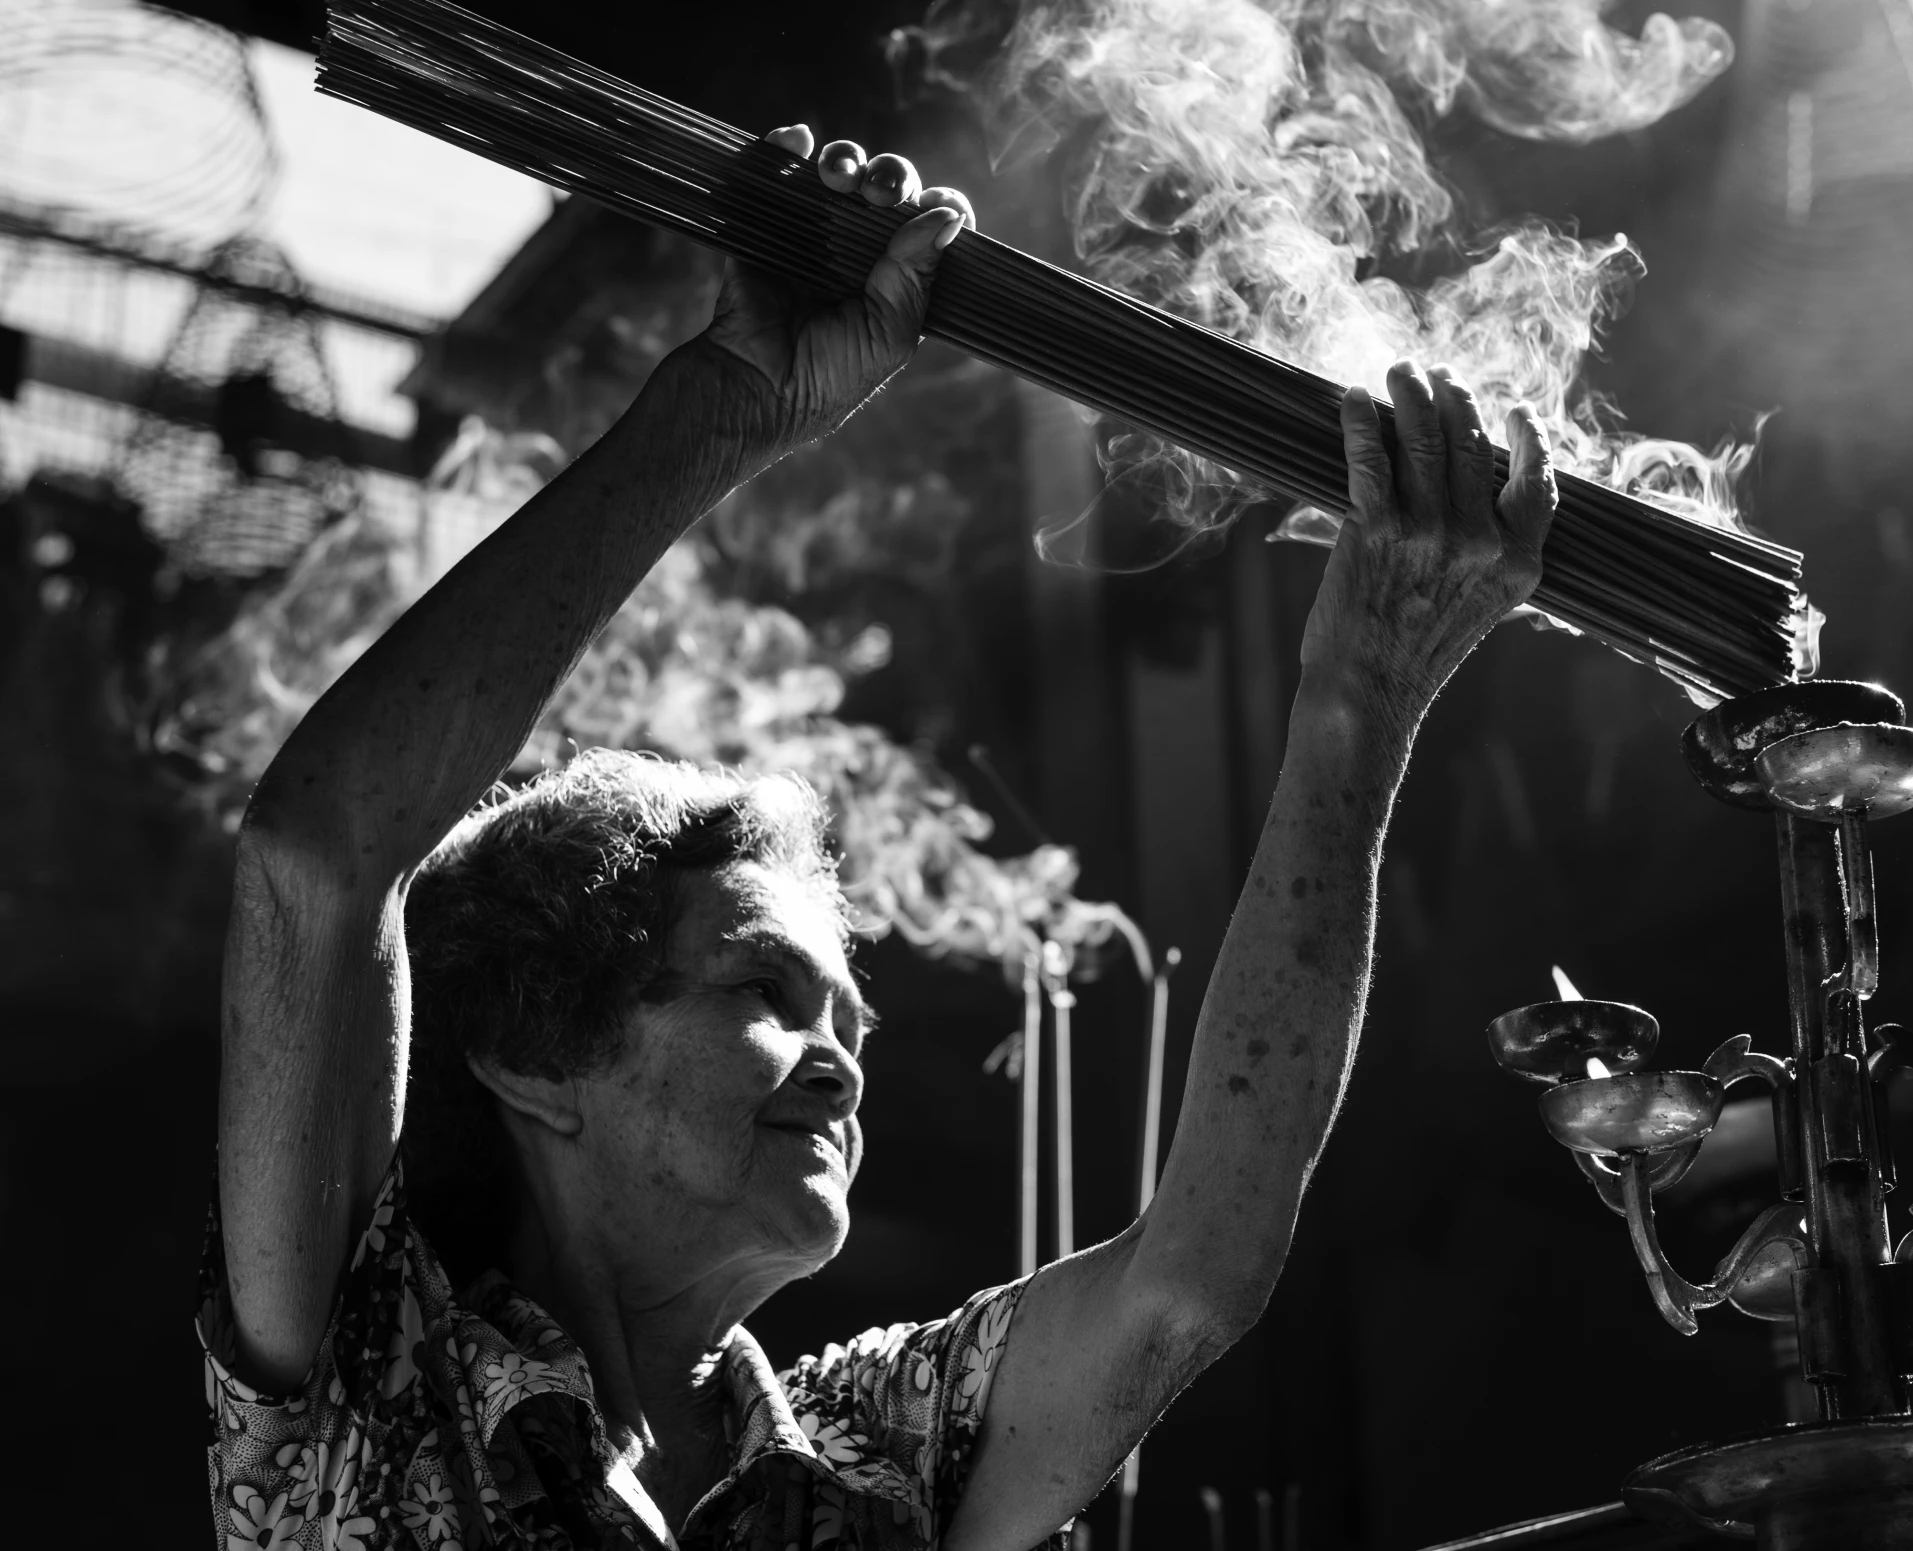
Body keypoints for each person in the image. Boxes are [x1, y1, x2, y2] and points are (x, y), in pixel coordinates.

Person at [206, 124, 1557, 1551]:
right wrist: (723, 408)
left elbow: (1189, 1279)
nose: (846, 1057)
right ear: (537, 1058)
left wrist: (1363, 694)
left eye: (839, 1008)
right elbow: (317, 855)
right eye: (765, 993)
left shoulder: (868, 1458)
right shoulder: (374, 1379)